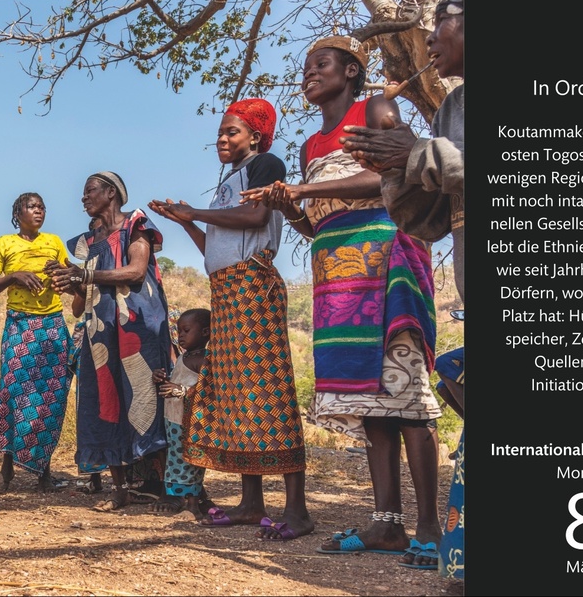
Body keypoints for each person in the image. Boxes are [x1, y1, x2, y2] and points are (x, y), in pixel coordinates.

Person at [242, 37, 441, 563]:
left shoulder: (373, 108)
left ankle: (428, 529)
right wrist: (289, 205)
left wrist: (300, 192)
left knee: (407, 397)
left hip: (387, 262)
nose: (309, 74)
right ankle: (386, 526)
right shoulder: (309, 146)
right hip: (336, 277)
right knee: (368, 401)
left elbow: (395, 171)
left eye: (320, 64)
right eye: (306, 67)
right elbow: (316, 222)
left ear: (351, 70)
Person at [148, 98, 314, 540]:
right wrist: (185, 222)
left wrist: (194, 213)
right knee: (241, 397)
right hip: (228, 291)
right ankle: (251, 503)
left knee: (268, 393)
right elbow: (214, 251)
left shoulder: (266, 163)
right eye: (220, 133)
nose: (222, 139)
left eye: (232, 132)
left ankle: (297, 510)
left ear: (255, 136)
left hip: (253, 288)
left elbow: (258, 215)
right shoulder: (230, 180)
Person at [340, 0, 465, 578]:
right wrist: (398, 171)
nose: (429, 35)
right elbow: (432, 218)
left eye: (440, 20)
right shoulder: (452, 108)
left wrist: (415, 153)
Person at [46, 172, 169, 512]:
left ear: (111, 193)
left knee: (145, 395)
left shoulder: (135, 225)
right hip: (100, 329)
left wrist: (82, 274)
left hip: (139, 326)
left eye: (90, 191)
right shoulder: (87, 242)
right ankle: (121, 489)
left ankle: (164, 485)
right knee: (106, 400)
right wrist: (67, 277)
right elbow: (85, 291)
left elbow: (135, 271)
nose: (83, 198)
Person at [0, 192, 72, 493]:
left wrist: (62, 275)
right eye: (32, 206)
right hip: (20, 326)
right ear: (18, 212)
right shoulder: (4, 244)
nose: (39, 211)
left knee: (49, 400)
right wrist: (13, 276)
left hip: (52, 326)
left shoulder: (54, 242)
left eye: (42, 206)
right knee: (13, 393)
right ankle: (7, 470)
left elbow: (71, 279)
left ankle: (43, 472)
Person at [150, 308, 213, 516]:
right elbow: (179, 384)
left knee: (190, 461)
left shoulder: (202, 359)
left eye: (186, 330)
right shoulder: (185, 357)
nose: (181, 336)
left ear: (205, 332)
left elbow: (208, 388)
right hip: (174, 419)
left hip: (189, 421)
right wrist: (163, 380)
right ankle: (183, 498)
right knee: (176, 459)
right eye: (179, 331)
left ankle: (192, 503)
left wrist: (181, 390)